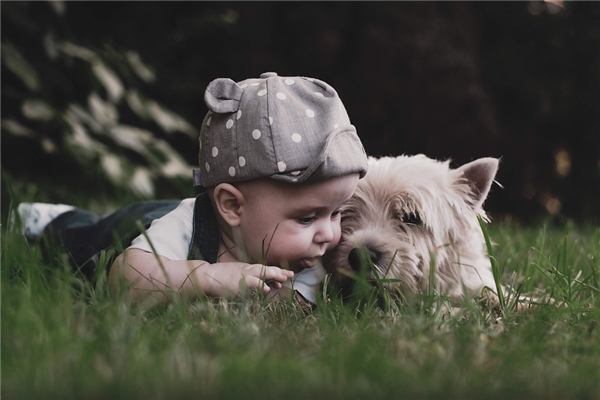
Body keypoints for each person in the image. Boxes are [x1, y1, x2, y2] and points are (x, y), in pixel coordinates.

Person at [16, 72, 368, 308]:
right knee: (79, 238)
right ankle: (49, 217)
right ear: (231, 205)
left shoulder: (305, 256)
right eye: (308, 217)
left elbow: (299, 304)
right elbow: (124, 280)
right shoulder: (184, 225)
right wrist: (208, 277)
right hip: (130, 230)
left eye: (336, 212)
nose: (329, 234)